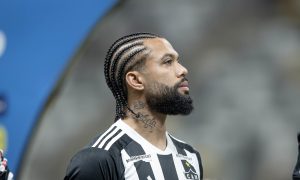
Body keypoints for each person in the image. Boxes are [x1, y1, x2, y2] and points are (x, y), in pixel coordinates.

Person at [64, 32, 203, 180]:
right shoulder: (99, 159)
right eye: (168, 62)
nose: (182, 70)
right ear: (136, 80)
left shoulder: (190, 155)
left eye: (178, 61)